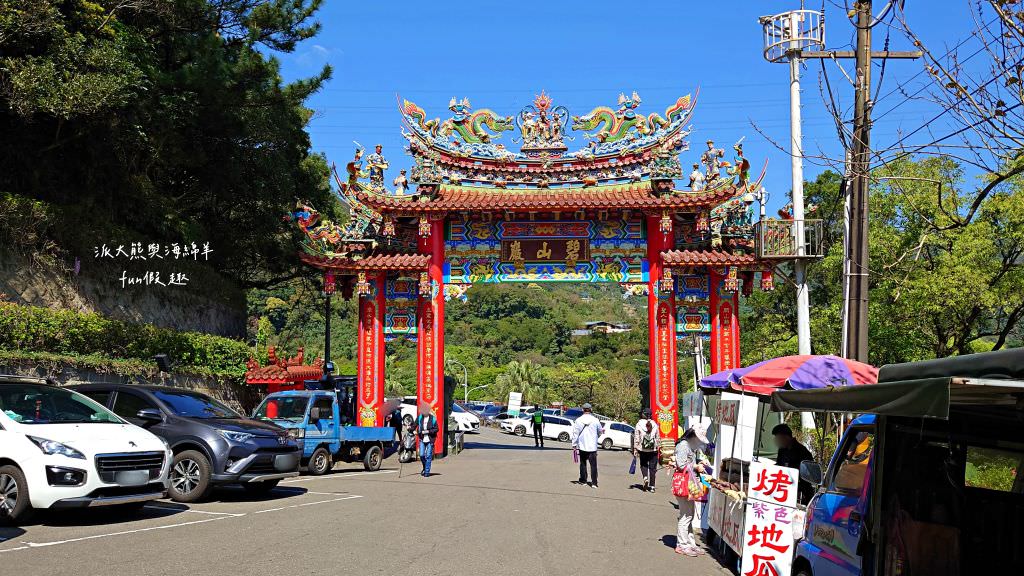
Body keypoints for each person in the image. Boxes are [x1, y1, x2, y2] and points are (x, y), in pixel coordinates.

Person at [674, 426, 711, 557]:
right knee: (686, 516)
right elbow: (681, 464)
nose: (699, 442)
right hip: (684, 483)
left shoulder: (689, 445)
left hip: (689, 483)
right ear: (693, 436)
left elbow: (687, 462)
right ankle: (682, 545)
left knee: (689, 515)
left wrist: (699, 462)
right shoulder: (683, 445)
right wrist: (696, 466)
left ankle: (690, 544)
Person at [772, 423, 815, 503]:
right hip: (782, 489)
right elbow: (779, 465)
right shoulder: (782, 450)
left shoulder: (802, 451)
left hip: (800, 492)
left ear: (786, 437)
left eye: (778, 438)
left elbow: (809, 475)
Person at [571, 403, 603, 488]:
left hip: (582, 445)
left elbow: (575, 433)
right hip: (592, 446)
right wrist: (596, 437)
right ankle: (594, 483)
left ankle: (583, 480)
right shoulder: (595, 420)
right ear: (591, 409)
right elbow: (600, 431)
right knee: (593, 465)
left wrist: (574, 444)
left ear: (583, 410)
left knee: (583, 464)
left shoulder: (578, 420)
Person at [633, 409, 661, 492]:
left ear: (643, 415)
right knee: (653, 468)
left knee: (643, 464)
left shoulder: (638, 424)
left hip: (642, 449)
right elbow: (657, 437)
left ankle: (645, 477)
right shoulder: (654, 424)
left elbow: (636, 437)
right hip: (653, 449)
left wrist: (635, 448)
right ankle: (652, 487)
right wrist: (659, 446)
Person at [416, 404, 439, 477]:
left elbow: (436, 429)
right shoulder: (420, 418)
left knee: (428, 456)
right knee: (421, 455)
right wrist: (410, 429)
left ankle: (427, 472)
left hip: (430, 439)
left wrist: (428, 431)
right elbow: (414, 425)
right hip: (422, 439)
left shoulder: (433, 419)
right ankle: (425, 466)